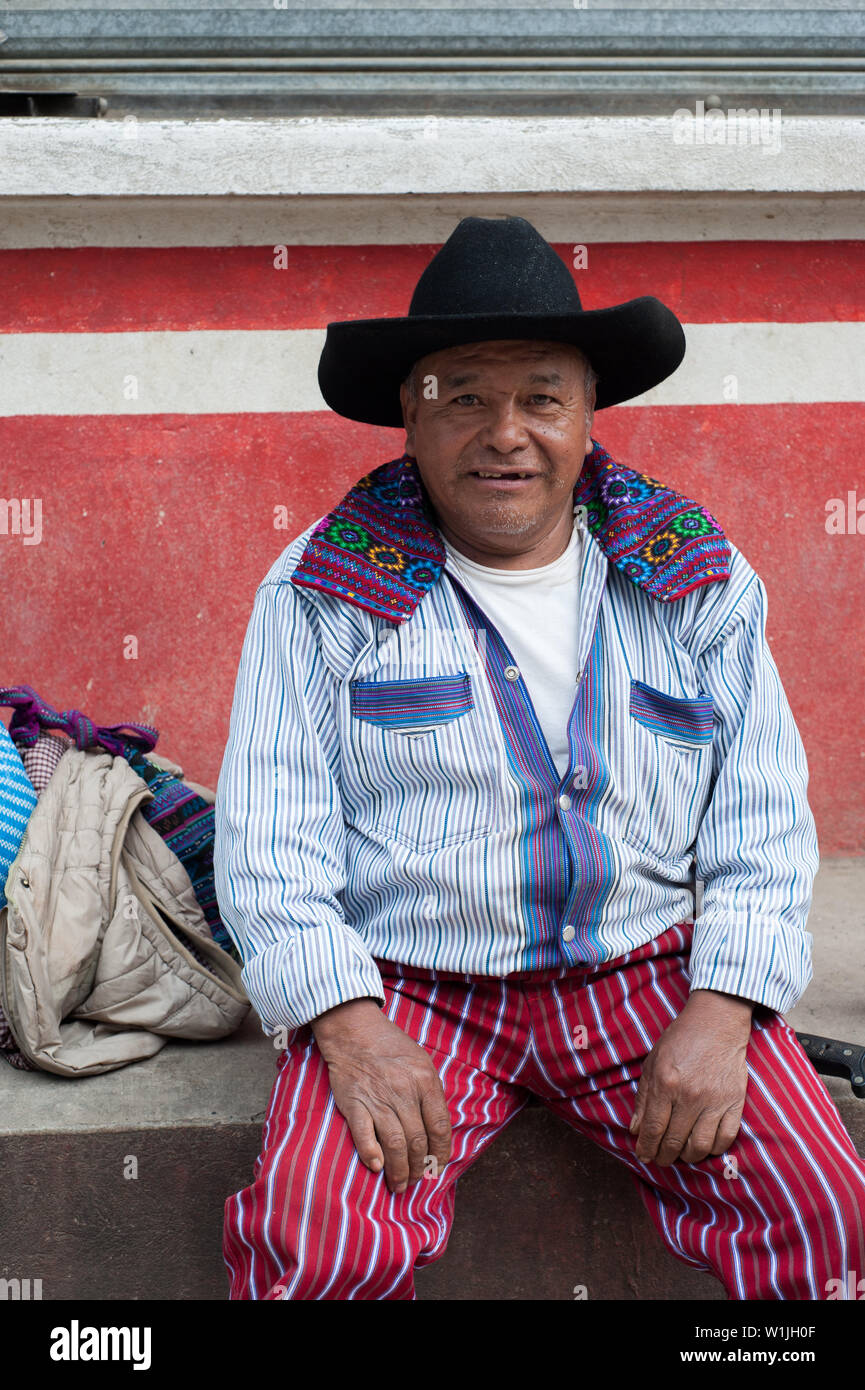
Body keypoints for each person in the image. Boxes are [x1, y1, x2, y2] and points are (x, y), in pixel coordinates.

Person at [214, 214, 865, 1300]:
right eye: (460, 395)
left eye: (540, 398)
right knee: (317, 1238)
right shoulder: (322, 595)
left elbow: (760, 820)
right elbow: (272, 844)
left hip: (645, 975)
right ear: (407, 422)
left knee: (824, 1210)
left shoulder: (697, 579)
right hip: (413, 991)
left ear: (587, 417)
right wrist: (347, 1026)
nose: (503, 433)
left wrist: (723, 1010)